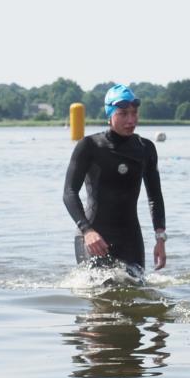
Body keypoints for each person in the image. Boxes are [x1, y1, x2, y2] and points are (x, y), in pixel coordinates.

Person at [63, 84, 167, 273]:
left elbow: (155, 196)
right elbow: (69, 193)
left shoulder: (146, 148)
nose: (131, 120)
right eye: (123, 114)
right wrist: (87, 231)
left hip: (130, 238)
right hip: (94, 236)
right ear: (110, 115)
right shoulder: (90, 146)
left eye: (134, 113)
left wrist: (160, 238)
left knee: (136, 292)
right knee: (100, 292)